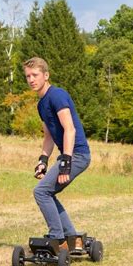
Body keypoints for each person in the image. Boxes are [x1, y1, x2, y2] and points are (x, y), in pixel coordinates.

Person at [23, 57, 91, 251]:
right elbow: (48, 137)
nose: (31, 80)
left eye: (35, 75)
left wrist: (66, 163)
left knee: (41, 192)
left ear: (46, 75)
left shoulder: (57, 95)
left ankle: (58, 239)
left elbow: (70, 129)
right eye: (28, 76)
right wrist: (42, 161)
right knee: (47, 192)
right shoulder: (41, 104)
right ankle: (72, 238)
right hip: (69, 155)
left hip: (77, 155)